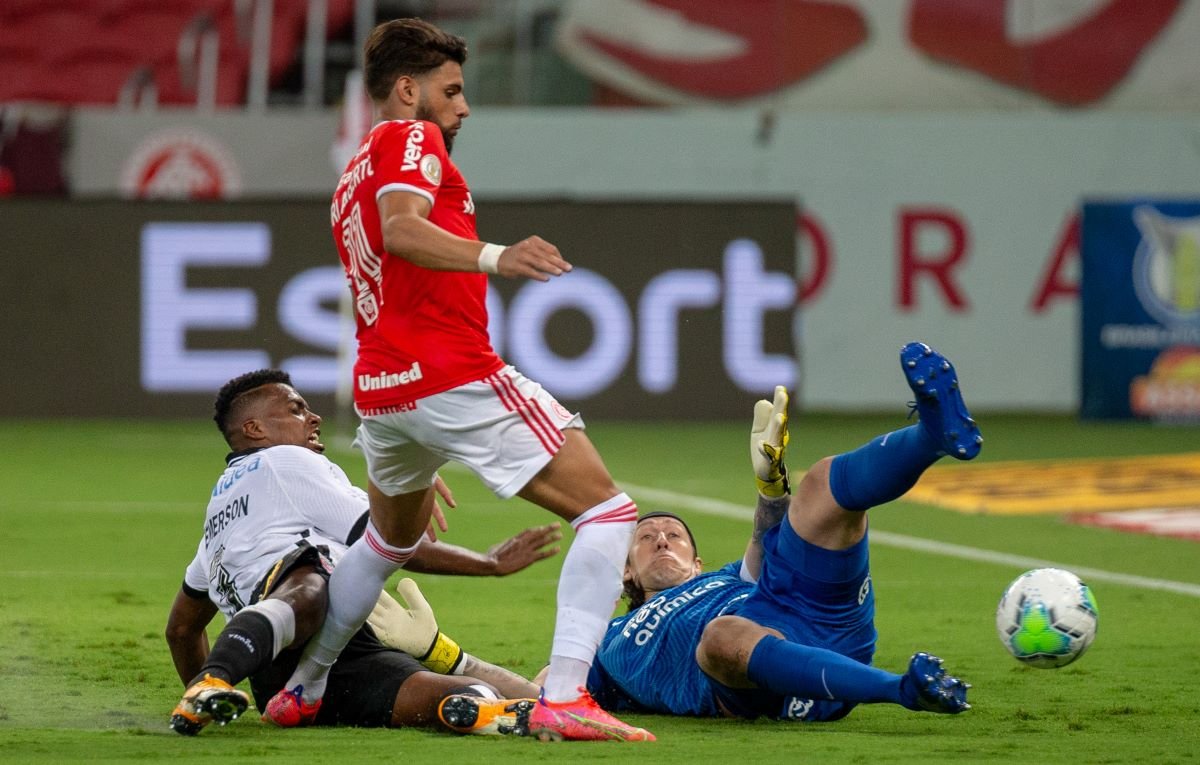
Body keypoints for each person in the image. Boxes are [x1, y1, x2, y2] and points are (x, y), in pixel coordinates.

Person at [271, 17, 653, 742]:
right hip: (451, 370)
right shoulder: (408, 139)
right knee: (609, 513)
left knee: (385, 542)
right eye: (451, 90)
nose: (463, 107)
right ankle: (567, 695)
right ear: (408, 91)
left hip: (384, 389)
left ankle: (305, 684)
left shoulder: (353, 169)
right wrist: (497, 256)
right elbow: (402, 230)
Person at [583, 341, 980, 721]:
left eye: (675, 534)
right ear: (626, 571)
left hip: (820, 619)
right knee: (720, 636)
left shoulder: (725, 579)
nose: (663, 539)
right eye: (646, 538)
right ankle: (901, 690)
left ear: (697, 563)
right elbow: (545, 691)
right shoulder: (605, 642)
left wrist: (771, 488)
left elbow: (763, 540)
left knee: (821, 482)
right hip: (759, 685)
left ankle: (932, 436)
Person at [166, 369, 563, 737]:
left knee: (468, 693)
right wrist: (488, 563)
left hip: (286, 673)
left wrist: (416, 485)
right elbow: (391, 543)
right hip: (309, 628)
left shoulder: (219, 520)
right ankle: (214, 680)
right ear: (254, 429)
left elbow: (182, 629)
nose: (313, 417)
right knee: (311, 576)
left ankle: (485, 713)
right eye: (295, 409)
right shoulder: (284, 460)